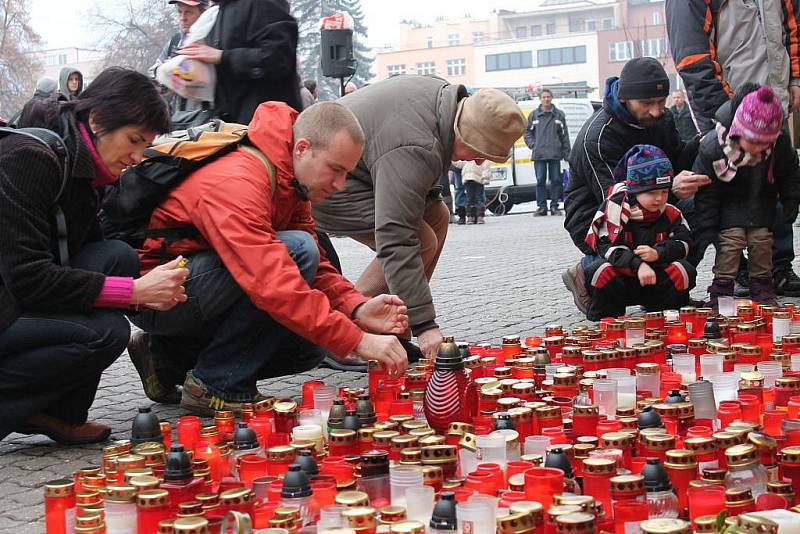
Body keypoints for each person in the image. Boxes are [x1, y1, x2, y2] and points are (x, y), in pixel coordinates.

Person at [129, 101, 410, 415]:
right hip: (157, 296)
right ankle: (214, 385)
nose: (340, 186)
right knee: (296, 252)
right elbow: (274, 282)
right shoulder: (240, 181)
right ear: (302, 148)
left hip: (201, 286)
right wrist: (358, 341)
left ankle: (164, 356)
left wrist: (356, 306)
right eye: (336, 169)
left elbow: (315, 264)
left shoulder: (290, 179)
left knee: (308, 348)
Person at [0, 67, 185, 444]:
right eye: (133, 141)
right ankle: (22, 408)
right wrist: (133, 293)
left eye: (144, 146)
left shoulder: (85, 162)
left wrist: (151, 289)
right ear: (98, 119)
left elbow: (94, 249)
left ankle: (57, 412)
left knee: (118, 257)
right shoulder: (31, 158)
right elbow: (29, 278)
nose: (136, 158)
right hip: (11, 296)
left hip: (20, 296)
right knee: (105, 333)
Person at [312, 76, 526, 359]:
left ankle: (390, 328)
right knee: (419, 239)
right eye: (479, 152)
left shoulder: (446, 103)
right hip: (324, 181)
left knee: (438, 215)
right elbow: (395, 236)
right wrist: (426, 325)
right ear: (463, 133)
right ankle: (344, 333)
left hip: (360, 172)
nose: (478, 162)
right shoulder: (416, 145)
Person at [666, 0, 800, 297]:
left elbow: (792, 23)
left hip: (772, 103)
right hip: (728, 104)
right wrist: (723, 111)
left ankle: (777, 267)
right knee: (725, 184)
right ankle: (733, 267)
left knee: (772, 179)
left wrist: (794, 79)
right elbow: (691, 52)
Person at [562, 57, 703, 315]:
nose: (656, 111)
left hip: (652, 204)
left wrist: (703, 142)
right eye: (647, 103)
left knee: (697, 210)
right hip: (597, 214)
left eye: (661, 102)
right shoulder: (599, 136)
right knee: (619, 250)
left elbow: (679, 156)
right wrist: (671, 188)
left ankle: (662, 293)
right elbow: (616, 200)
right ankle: (587, 270)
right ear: (626, 98)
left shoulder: (662, 118)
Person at [693, 85, 800, 307]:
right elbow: (707, 192)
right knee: (730, 244)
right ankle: (722, 288)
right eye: (754, 141)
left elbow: (789, 173)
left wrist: (791, 199)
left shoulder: (778, 147)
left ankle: (762, 284)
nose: (759, 149)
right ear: (738, 131)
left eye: (765, 143)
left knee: (762, 242)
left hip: (761, 204)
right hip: (728, 207)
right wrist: (708, 225)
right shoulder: (715, 146)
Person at [584, 145, 695, 321]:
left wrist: (658, 253)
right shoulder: (616, 210)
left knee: (683, 270)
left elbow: (684, 243)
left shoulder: (671, 213)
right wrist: (638, 264)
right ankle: (608, 323)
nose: (659, 198)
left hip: (656, 276)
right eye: (651, 192)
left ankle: (667, 319)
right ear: (635, 191)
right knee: (600, 270)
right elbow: (606, 247)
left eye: (664, 191)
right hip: (623, 276)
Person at [179, 0, 302, 123]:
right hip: (229, 126)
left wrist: (222, 56)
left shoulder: (263, 3)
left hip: (266, 127)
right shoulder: (217, 12)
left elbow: (278, 58)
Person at [150, 0, 208, 113]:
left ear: (203, 13)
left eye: (188, 12)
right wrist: (162, 73)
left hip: (207, 118)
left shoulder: (212, 42)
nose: (182, 18)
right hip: (177, 118)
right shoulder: (175, 42)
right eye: (179, 12)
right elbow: (153, 73)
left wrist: (171, 71)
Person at [524, 88, 571, 216]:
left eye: (548, 97)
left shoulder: (559, 115)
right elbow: (527, 132)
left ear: (551, 98)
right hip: (539, 154)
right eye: (543, 97)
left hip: (555, 154)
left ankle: (555, 206)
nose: (546, 99)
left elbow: (564, 136)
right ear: (540, 99)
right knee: (540, 180)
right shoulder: (533, 115)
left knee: (556, 180)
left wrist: (568, 154)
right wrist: (534, 145)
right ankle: (541, 207)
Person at [459, 159, 490, 224]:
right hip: (468, 179)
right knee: (470, 199)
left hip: (478, 179)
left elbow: (486, 165)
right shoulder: (467, 156)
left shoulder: (481, 156)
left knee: (478, 198)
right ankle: (470, 216)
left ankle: (479, 216)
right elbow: (459, 163)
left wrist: (485, 177)